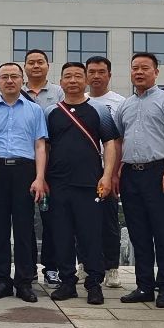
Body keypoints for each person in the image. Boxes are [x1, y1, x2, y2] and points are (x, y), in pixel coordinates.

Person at [114, 52, 164, 308]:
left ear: (156, 72)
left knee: (163, 232)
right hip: (131, 174)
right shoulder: (125, 105)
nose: (139, 72)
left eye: (145, 68)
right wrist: (116, 172)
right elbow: (119, 141)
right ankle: (144, 286)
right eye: (135, 68)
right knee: (138, 233)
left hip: (160, 172)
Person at [46, 62, 120, 305]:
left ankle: (94, 284)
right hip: (58, 183)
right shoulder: (51, 112)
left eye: (78, 76)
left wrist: (107, 175)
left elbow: (109, 143)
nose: (73, 80)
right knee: (62, 234)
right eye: (68, 76)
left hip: (90, 183)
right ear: (61, 82)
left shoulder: (99, 110)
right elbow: (44, 147)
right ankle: (67, 282)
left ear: (86, 80)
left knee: (91, 235)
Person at [0, 63, 49, 303]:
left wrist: (39, 178)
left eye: (14, 76)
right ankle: (1, 279)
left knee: (24, 227)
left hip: (25, 171)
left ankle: (24, 281)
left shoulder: (35, 110)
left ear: (22, 80)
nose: (9, 81)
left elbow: (40, 146)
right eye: (4, 77)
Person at [22, 48, 64, 287]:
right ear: (25, 67)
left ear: (48, 66)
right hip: (24, 163)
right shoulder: (16, 91)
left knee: (51, 218)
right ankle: (27, 268)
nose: (36, 66)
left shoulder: (59, 92)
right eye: (31, 62)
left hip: (52, 163)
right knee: (24, 218)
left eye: (40, 62)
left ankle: (52, 268)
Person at [86, 55, 127, 289]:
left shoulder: (120, 103)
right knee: (83, 219)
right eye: (91, 72)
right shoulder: (80, 100)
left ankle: (112, 268)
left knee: (109, 220)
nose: (96, 76)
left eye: (101, 72)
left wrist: (115, 172)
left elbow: (122, 140)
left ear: (109, 75)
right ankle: (84, 263)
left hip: (109, 170)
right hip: (84, 169)